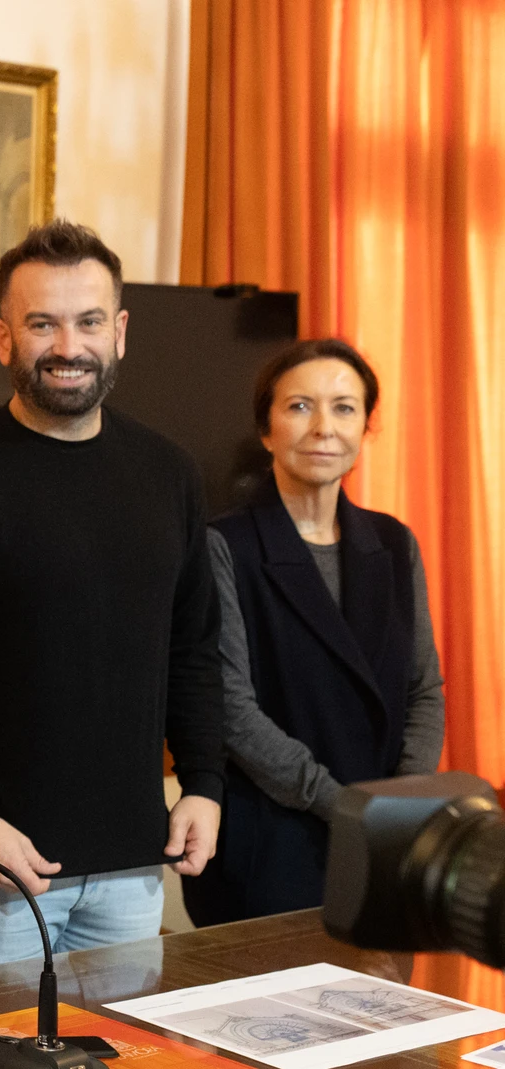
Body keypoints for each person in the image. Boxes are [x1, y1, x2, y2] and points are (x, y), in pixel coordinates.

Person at [0, 219, 225, 964]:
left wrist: (203, 782)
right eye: (43, 323)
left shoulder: (170, 474)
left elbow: (195, 646)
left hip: (136, 868)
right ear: (4, 338)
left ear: (121, 331)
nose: (68, 346)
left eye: (88, 321)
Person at [181, 340, 444, 924]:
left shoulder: (394, 543)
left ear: (366, 427)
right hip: (270, 845)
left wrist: (401, 804)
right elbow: (233, 711)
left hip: (382, 844)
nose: (324, 427)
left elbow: (424, 689)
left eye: (345, 408)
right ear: (266, 429)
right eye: (300, 406)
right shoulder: (225, 545)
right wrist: (348, 805)